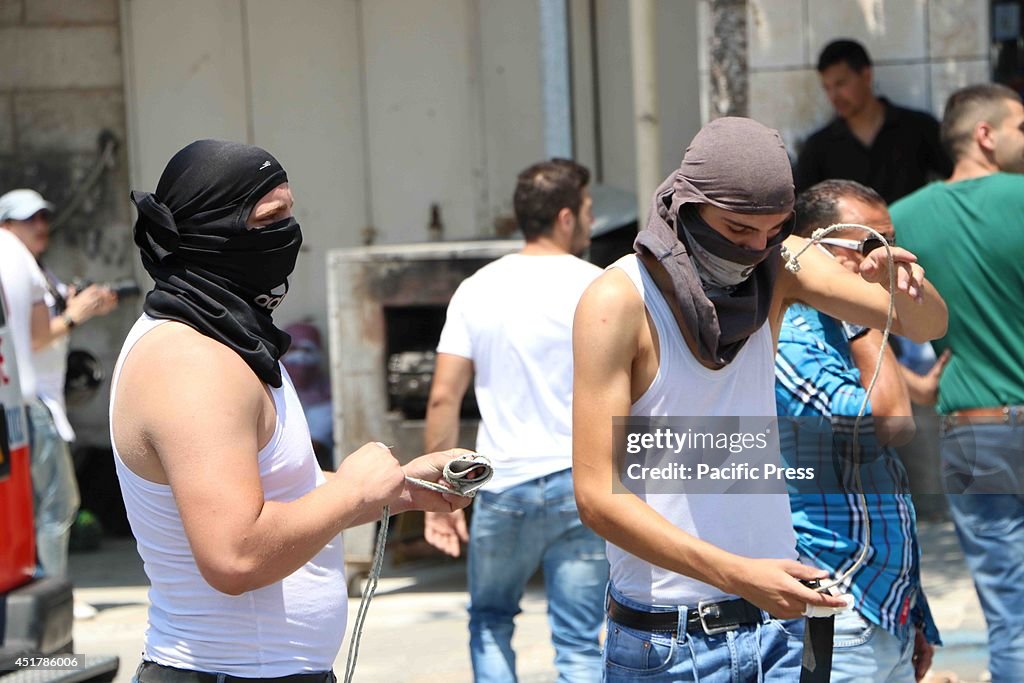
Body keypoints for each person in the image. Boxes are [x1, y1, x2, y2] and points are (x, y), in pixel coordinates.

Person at [571, 116, 947, 680]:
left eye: (773, 230)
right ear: (687, 204)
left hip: (780, 629)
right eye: (738, 230)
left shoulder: (782, 264)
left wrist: (895, 280)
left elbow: (928, 323)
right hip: (672, 639)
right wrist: (736, 574)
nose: (754, 248)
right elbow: (597, 495)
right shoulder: (618, 302)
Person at [112, 139, 472, 679]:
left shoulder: (226, 338)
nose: (289, 234)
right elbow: (235, 555)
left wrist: (394, 491)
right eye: (270, 217)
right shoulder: (192, 363)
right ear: (214, 228)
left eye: (290, 213)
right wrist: (352, 490)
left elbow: (273, 492)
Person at [423, 158, 608, 681]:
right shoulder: (600, 287)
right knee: (579, 640)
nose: (592, 222)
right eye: (589, 211)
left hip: (504, 485)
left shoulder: (477, 288)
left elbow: (443, 398)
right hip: (583, 485)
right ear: (567, 217)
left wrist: (441, 499)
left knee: (489, 620)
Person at [775, 179, 940, 682]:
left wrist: (914, 613)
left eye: (891, 243)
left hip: (882, 609)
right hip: (834, 611)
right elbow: (890, 420)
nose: (884, 261)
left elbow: (882, 490)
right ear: (814, 248)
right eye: (868, 244)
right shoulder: (792, 336)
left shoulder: (842, 328)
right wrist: (866, 305)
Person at [890, 83, 1024, 683]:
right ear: (986, 134)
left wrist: (912, 383)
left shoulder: (902, 218)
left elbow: (844, 323)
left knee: (1010, 613)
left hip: (972, 430)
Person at [0, 189, 118, 584]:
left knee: (38, 503)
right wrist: (74, 316)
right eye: (30, 218)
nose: (40, 225)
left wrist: (82, 302)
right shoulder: (20, 263)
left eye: (44, 217)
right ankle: (52, 590)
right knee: (58, 504)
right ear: (7, 223)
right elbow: (35, 336)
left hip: (31, 400)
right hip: (34, 403)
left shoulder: (31, 266)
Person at [795, 39, 952, 204]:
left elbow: (957, 178)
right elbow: (804, 211)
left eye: (840, 84)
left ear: (866, 75)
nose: (834, 96)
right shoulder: (817, 147)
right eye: (827, 87)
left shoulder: (918, 127)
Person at [281, 321, 334, 471]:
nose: (300, 356)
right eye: (293, 349)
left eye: (307, 349)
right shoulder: (275, 390)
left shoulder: (326, 397)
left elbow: (310, 447)